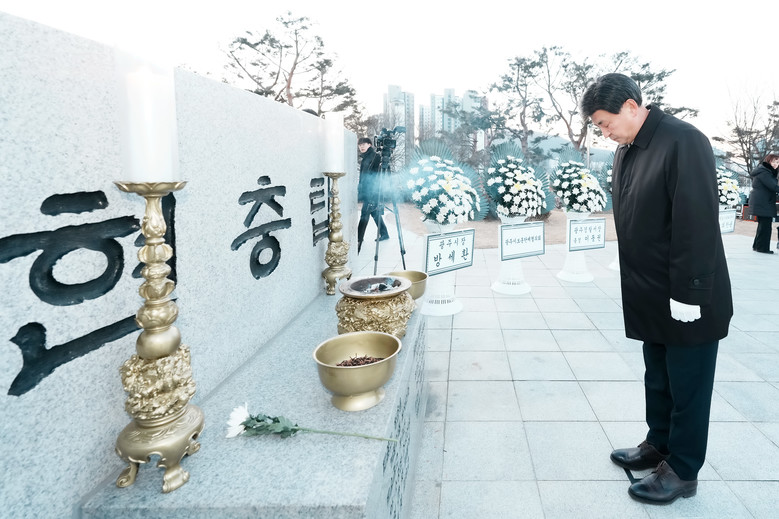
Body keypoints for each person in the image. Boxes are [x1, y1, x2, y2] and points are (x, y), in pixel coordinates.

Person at [581, 73, 733, 504]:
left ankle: (683, 470)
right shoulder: (627, 149)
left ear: (631, 106)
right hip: (651, 292)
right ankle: (660, 443)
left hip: (687, 294)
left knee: (688, 386)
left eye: (606, 123)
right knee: (659, 377)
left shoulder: (684, 141)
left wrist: (690, 292)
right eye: (599, 127)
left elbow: (696, 221)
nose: (605, 133)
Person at [356, 137, 389, 253]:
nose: (361, 146)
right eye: (360, 145)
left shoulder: (376, 157)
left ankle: (358, 238)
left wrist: (374, 191)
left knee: (364, 214)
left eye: (364, 144)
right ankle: (384, 233)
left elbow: (378, 176)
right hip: (367, 190)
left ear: (370, 144)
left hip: (373, 191)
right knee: (374, 213)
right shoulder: (365, 158)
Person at [748, 153, 779, 253]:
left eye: (778, 162)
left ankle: (757, 246)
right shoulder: (765, 173)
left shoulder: (764, 171)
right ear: (768, 161)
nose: (776, 164)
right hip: (763, 202)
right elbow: (774, 186)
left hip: (762, 201)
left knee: (762, 225)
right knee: (765, 226)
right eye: (774, 161)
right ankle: (762, 248)